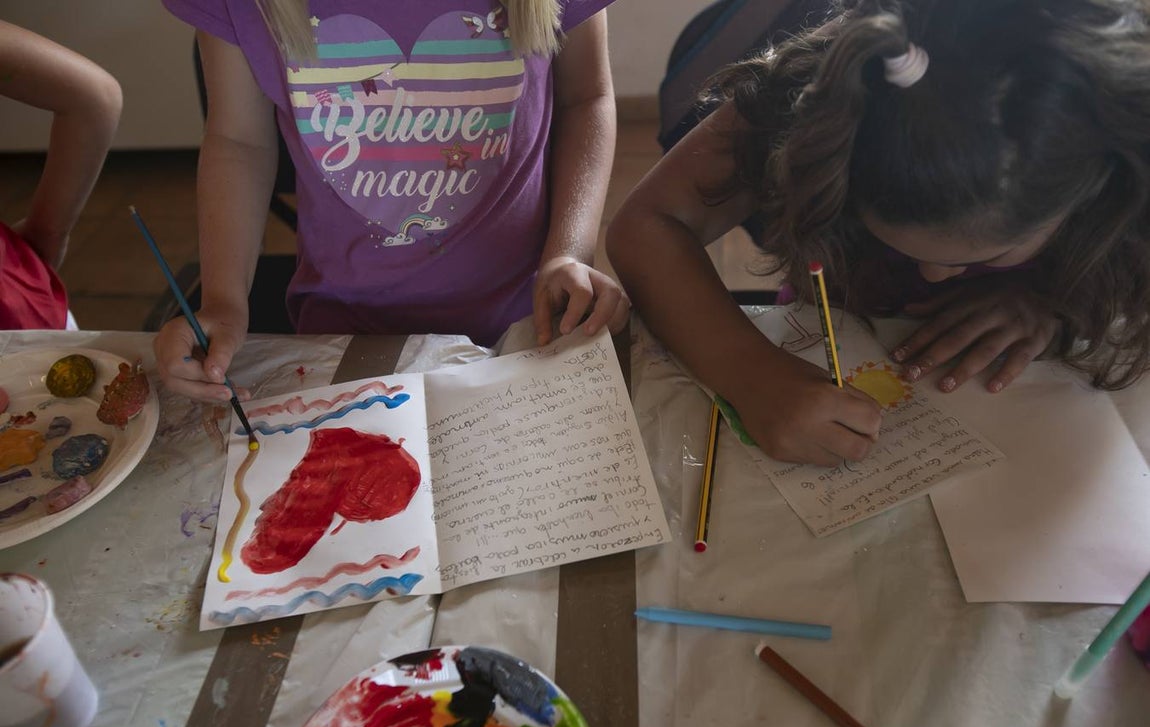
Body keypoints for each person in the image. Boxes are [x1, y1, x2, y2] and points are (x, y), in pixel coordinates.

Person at [606, 0, 1150, 467]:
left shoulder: (1119, 141)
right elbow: (648, 224)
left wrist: (1050, 303)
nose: (934, 274)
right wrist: (749, 373)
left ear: (1100, 189)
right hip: (833, 326)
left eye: (991, 255)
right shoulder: (840, 84)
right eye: (894, 240)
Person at [156, 0, 627, 402]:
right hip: (344, 332)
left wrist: (570, 249)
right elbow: (239, 142)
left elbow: (585, 99)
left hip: (526, 324)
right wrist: (221, 300)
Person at [0, 21, 122, 330]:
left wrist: (46, 233)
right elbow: (94, 97)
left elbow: (95, 97)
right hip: (20, 313)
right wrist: (48, 232)